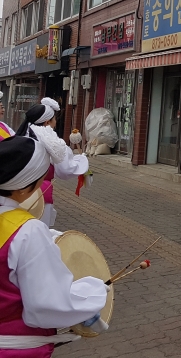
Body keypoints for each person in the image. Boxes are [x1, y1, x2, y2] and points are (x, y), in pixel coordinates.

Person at [0, 135, 109, 356]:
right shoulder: (28, 231)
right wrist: (93, 291)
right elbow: (46, 305)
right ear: (22, 189)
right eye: (39, 181)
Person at [16, 99, 91, 228]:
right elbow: (65, 169)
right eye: (54, 119)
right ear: (47, 122)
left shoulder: (20, 137)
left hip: (16, 192)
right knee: (38, 230)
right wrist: (82, 160)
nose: (56, 123)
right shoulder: (51, 141)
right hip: (40, 193)